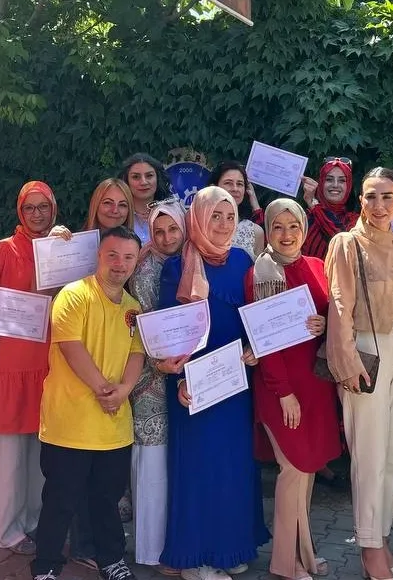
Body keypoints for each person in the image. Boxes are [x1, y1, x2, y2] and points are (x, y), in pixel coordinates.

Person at [160, 186, 269, 580]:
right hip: (194, 386)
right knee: (199, 469)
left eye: (229, 216)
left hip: (236, 382)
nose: (222, 224)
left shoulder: (243, 261)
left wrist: (258, 347)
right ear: (199, 218)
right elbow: (168, 331)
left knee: (233, 467)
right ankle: (197, 558)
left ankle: (229, 548)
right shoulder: (178, 266)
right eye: (214, 216)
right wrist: (179, 379)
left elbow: (259, 315)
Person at [30, 226, 146, 580]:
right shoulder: (73, 296)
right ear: (98, 255)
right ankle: (46, 565)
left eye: (128, 257)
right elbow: (70, 346)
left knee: (106, 501)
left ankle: (112, 559)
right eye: (112, 255)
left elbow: (136, 353)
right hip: (69, 425)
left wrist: (124, 390)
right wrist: (103, 390)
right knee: (60, 501)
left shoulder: (133, 308)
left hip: (113, 429)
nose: (120, 264)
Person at [323, 167, 393, 580]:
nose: (379, 205)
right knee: (369, 454)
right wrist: (345, 363)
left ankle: (381, 537)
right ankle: (368, 548)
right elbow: (339, 306)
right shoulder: (346, 244)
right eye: (370, 196)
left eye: (387, 196)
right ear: (360, 201)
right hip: (366, 350)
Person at [248, 199, 339, 580]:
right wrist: (283, 392)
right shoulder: (261, 273)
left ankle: (305, 553)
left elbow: (331, 314)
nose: (286, 235)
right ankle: (286, 563)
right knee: (292, 471)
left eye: (294, 226)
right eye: (278, 227)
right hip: (280, 388)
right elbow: (265, 340)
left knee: (307, 471)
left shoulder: (317, 266)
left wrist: (324, 323)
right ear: (267, 230)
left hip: (315, 386)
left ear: (304, 228)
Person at [0, 181, 58, 556]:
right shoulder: (4, 249)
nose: (37, 214)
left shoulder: (60, 247)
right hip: (11, 362)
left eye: (43, 207)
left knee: (39, 455)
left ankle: (31, 521)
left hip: (48, 362)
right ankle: (3, 530)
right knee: (9, 454)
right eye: (30, 207)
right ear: (19, 211)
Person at [126, 199, 188, 575]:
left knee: (177, 465)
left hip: (185, 375)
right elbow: (143, 324)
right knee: (152, 466)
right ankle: (152, 550)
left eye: (173, 229)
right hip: (151, 380)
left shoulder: (192, 261)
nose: (166, 238)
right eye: (158, 231)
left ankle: (178, 544)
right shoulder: (145, 269)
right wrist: (159, 363)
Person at [301, 158, 357, 260]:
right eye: (329, 179)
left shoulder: (355, 221)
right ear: (321, 183)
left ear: (348, 185)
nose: (335, 185)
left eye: (342, 180)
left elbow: (342, 239)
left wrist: (314, 205)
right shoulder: (304, 218)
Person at [208, 161, 265, 259]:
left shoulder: (255, 232)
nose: (235, 189)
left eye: (240, 184)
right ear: (214, 187)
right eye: (228, 183)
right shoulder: (197, 224)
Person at [119, 153, 173, 244]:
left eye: (149, 176)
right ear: (126, 181)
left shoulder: (173, 212)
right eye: (136, 177)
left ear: (158, 178)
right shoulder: (117, 214)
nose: (143, 182)